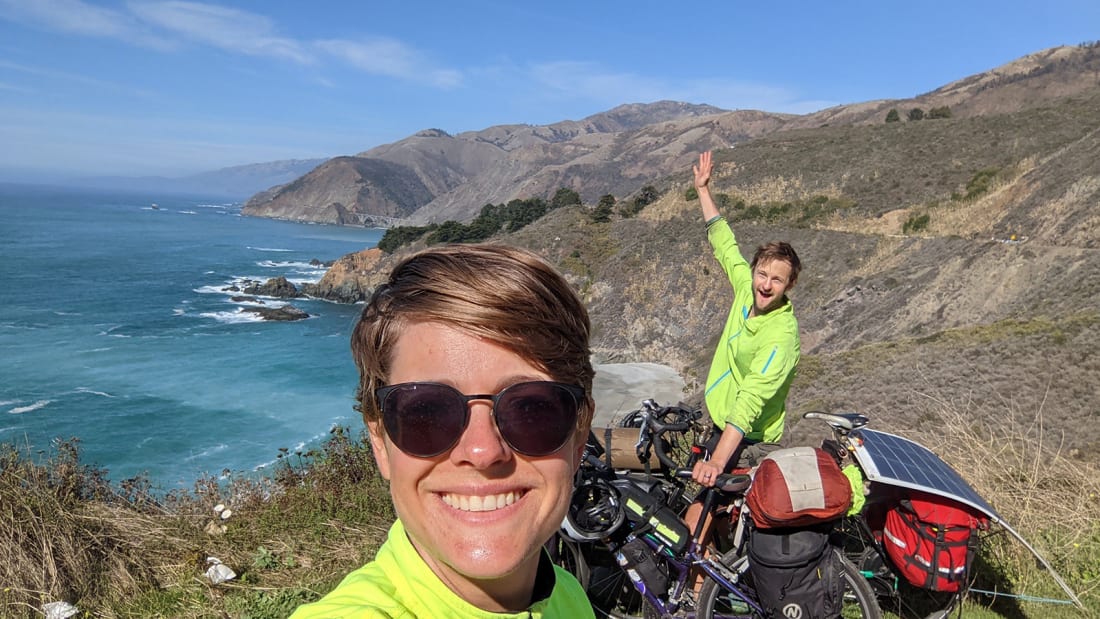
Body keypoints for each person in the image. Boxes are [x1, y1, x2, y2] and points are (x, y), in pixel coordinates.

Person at [290, 243, 597, 618]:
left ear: (580, 434)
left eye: (530, 408)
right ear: (380, 442)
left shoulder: (568, 597)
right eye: (427, 411)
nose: (482, 451)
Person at [684, 151, 802, 546]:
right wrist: (703, 190)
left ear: (789, 286)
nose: (766, 285)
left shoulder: (781, 337)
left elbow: (749, 403)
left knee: (695, 514)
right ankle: (719, 573)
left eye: (778, 280)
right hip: (721, 419)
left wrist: (717, 461)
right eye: (762, 274)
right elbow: (724, 244)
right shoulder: (744, 290)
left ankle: (691, 595)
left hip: (746, 433)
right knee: (714, 511)